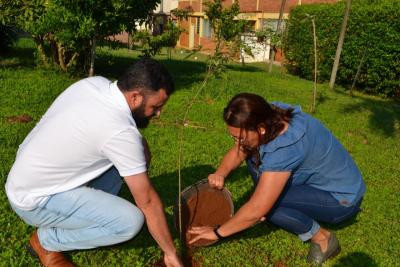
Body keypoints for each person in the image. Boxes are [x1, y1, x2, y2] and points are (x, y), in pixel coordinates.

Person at [5, 58, 183, 267]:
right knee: (130, 221)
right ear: (135, 97)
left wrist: (139, 147)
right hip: (35, 200)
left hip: (26, 178)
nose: (158, 114)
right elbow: (148, 202)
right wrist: (170, 252)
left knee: (138, 155)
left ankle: (85, 209)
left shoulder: (95, 83)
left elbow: (134, 146)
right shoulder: (119, 131)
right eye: (156, 106)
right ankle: (46, 241)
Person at [188, 93, 365, 265]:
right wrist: (221, 172)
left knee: (267, 207)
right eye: (233, 137)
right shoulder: (269, 114)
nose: (237, 143)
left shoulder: (285, 148)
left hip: (340, 198)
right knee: (253, 155)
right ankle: (272, 200)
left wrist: (217, 233)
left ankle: (323, 239)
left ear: (261, 128)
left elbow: (257, 209)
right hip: (318, 181)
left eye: (240, 137)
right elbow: (241, 150)